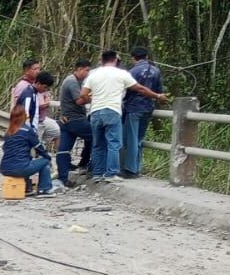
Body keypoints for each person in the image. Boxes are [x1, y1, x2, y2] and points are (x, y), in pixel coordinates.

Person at [82, 48, 167, 183]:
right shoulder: (122, 74)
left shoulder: (93, 74)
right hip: (112, 110)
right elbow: (140, 88)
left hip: (96, 112)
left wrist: (94, 100)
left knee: (98, 144)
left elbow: (83, 94)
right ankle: (111, 173)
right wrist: (157, 96)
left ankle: (97, 173)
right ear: (116, 60)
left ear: (102, 60)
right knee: (114, 143)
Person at [122, 47, 164, 177]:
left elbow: (126, 91)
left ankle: (130, 169)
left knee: (131, 139)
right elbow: (159, 90)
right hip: (148, 108)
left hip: (133, 108)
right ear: (146, 57)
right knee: (139, 138)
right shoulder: (156, 70)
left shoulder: (132, 72)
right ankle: (137, 167)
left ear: (133, 58)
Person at [0, 105, 54, 197]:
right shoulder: (27, 130)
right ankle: (44, 189)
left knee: (26, 160)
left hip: (4, 168)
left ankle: (27, 188)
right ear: (24, 116)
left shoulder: (8, 131)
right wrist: (48, 157)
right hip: (21, 169)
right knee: (45, 162)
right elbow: (38, 147)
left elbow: (5, 148)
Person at [55, 59, 93, 184]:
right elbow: (79, 100)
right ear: (79, 69)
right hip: (76, 120)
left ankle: (63, 178)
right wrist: (95, 97)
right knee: (97, 137)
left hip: (67, 120)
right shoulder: (72, 82)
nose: (87, 73)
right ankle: (90, 166)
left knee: (63, 150)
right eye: (86, 70)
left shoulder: (74, 81)